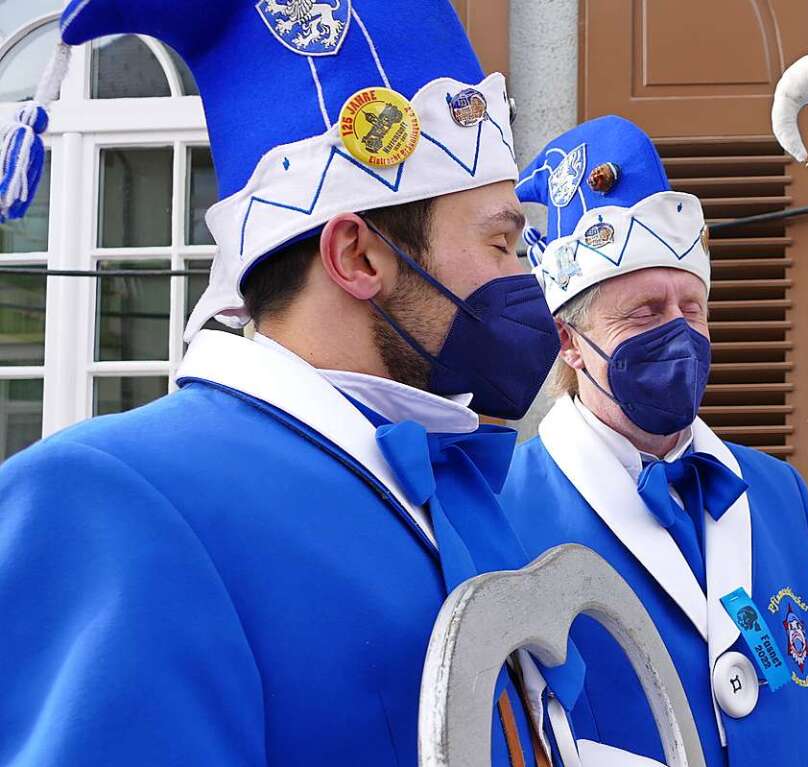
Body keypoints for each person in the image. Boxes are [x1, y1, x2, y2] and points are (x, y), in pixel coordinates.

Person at [0, 1, 598, 763]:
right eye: (502, 243)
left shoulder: (445, 484)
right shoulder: (104, 496)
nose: (527, 285)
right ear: (357, 257)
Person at [501, 115, 808, 767]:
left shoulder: (773, 489)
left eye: (692, 307)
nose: (679, 332)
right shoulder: (503, 509)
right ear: (570, 342)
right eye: (646, 313)